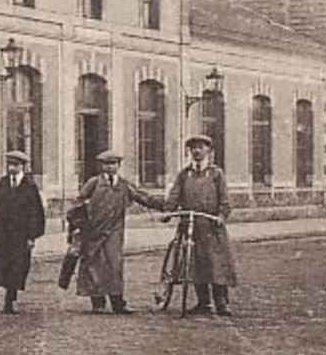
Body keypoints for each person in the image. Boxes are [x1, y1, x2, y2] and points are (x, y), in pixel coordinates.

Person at [70, 150, 166, 314]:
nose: (110, 167)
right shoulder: (93, 183)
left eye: (113, 164)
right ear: (102, 166)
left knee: (114, 265)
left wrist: (164, 205)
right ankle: (98, 303)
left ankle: (118, 302)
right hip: (93, 231)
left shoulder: (123, 185)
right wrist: (79, 223)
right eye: (107, 164)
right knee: (93, 265)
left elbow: (142, 197)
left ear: (118, 166)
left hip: (114, 230)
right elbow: (77, 205)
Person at [166, 133, 237, 315]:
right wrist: (168, 210)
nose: (197, 151)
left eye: (201, 147)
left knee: (216, 263)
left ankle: (221, 302)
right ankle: (203, 302)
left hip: (212, 226)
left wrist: (221, 215)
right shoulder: (184, 174)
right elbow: (174, 194)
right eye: (193, 148)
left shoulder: (216, 174)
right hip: (190, 224)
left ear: (209, 151)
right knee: (195, 263)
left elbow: (224, 198)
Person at [0, 150, 45, 314]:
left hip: (19, 237)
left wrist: (31, 237)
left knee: (16, 269)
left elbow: (36, 214)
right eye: (9, 165)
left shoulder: (29, 187)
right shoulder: (0, 184)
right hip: (0, 235)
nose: (11, 168)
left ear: (22, 166)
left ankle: (10, 303)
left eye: (15, 165)